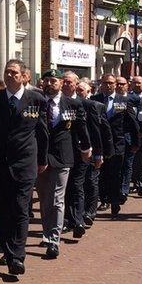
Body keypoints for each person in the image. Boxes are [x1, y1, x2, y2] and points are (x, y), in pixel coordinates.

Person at [0, 60, 48, 278]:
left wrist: (42, 159)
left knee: (20, 208)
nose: (10, 76)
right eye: (7, 72)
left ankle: (16, 256)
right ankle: (7, 248)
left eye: (14, 73)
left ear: (25, 76)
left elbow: (42, 133)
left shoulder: (36, 100)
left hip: (24, 164)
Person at [34, 70, 90, 259]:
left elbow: (81, 127)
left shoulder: (73, 104)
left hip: (62, 156)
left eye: (54, 80)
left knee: (57, 198)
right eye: (46, 80)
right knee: (44, 198)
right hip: (39, 157)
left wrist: (87, 148)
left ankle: (53, 240)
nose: (50, 84)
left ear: (61, 83)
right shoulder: (36, 102)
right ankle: (46, 231)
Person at [61, 74, 104, 239]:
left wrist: (98, 153)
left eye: (69, 82)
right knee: (63, 187)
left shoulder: (87, 104)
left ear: (76, 84)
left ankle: (78, 221)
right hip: (61, 153)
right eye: (63, 81)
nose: (65, 84)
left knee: (77, 184)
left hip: (82, 153)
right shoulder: (54, 103)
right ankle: (66, 220)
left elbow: (95, 131)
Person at [90, 74, 139, 217]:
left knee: (116, 174)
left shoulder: (124, 101)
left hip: (118, 144)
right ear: (101, 84)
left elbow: (132, 122)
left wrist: (136, 142)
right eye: (105, 83)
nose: (109, 85)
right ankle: (104, 199)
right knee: (101, 174)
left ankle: (115, 201)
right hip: (100, 143)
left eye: (111, 83)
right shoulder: (95, 100)